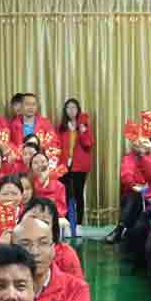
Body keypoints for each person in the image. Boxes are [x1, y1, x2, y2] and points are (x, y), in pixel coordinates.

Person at [56, 98, 93, 233]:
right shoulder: (61, 128)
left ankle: (78, 225)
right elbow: (56, 145)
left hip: (80, 165)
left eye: (74, 108)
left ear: (78, 110)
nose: (71, 110)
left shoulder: (84, 126)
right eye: (68, 108)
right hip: (63, 165)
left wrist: (82, 130)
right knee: (64, 194)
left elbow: (88, 144)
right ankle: (66, 223)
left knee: (78, 194)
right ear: (65, 111)